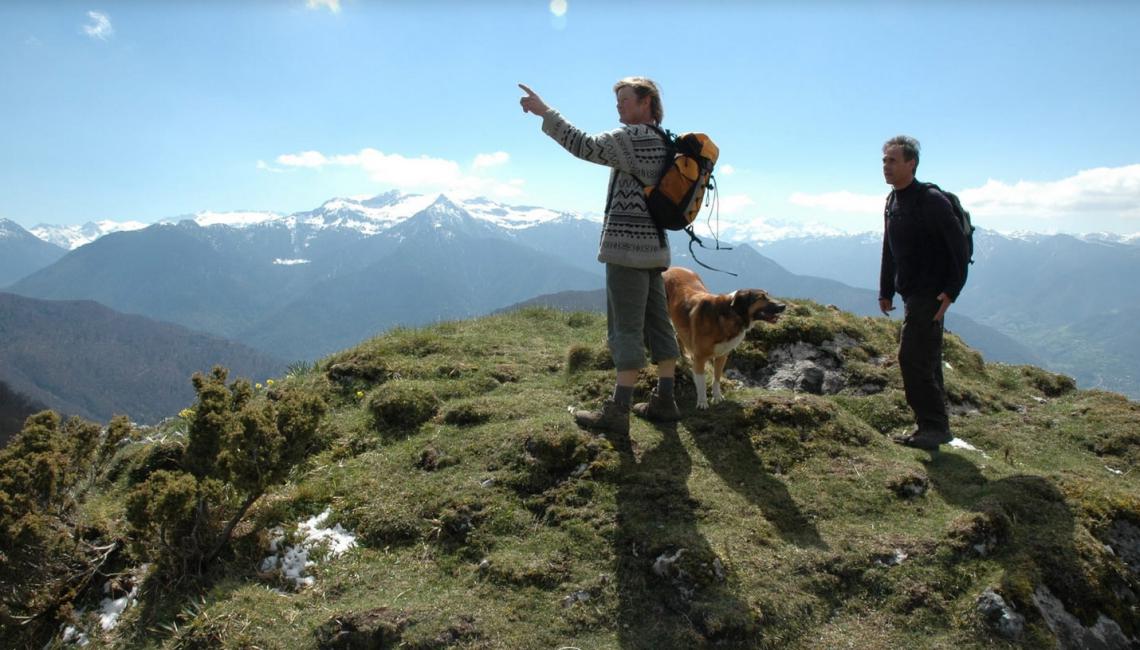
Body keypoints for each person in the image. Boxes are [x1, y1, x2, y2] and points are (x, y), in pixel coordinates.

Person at [519, 78, 681, 435]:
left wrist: (545, 112)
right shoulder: (662, 140)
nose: (619, 106)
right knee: (658, 324)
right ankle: (665, 400)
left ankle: (618, 411)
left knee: (624, 327)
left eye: (625, 99)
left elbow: (584, 146)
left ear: (646, 102)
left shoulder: (633, 139)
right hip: (654, 249)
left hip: (627, 249)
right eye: (618, 100)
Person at [878, 135, 968, 450]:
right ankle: (936, 424)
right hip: (910, 292)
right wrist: (886, 288)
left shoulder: (931, 200)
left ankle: (933, 427)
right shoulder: (893, 201)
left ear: (911, 164)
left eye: (892, 160)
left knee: (911, 358)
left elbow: (957, 246)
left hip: (931, 294)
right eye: (884, 160)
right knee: (926, 357)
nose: (886, 166)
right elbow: (890, 249)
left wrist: (952, 291)